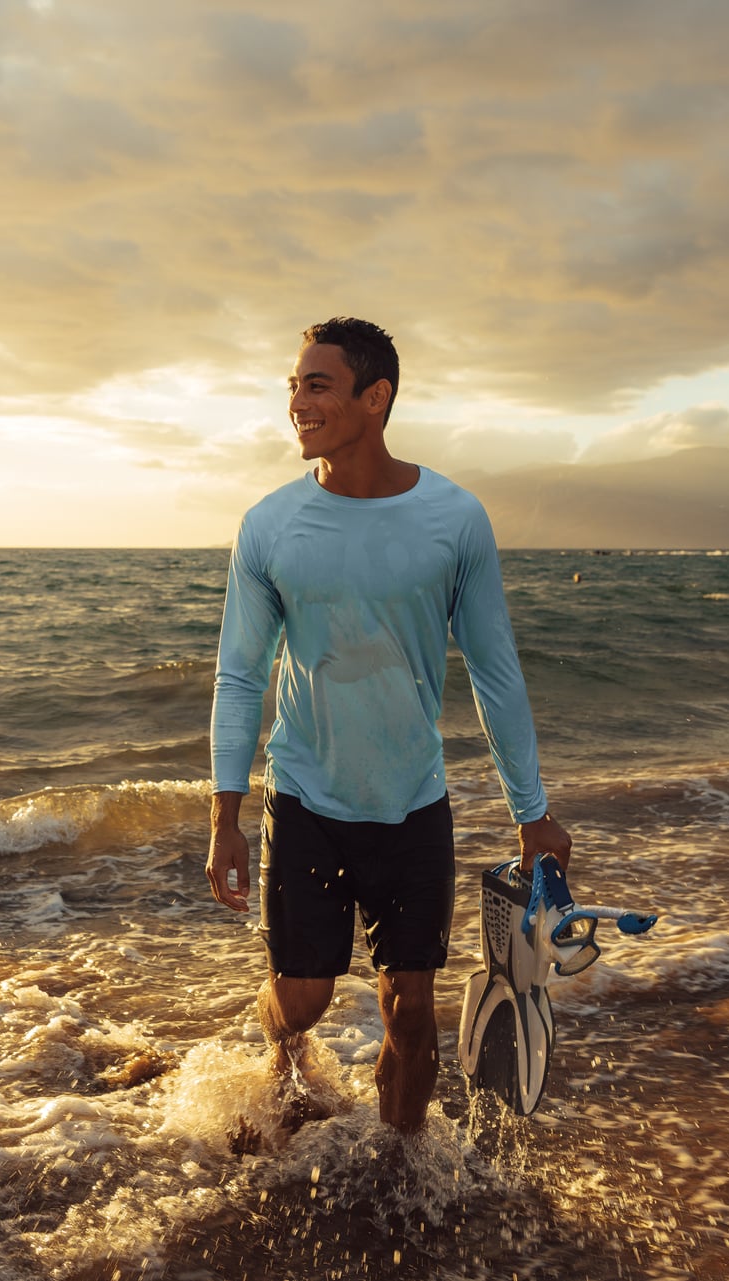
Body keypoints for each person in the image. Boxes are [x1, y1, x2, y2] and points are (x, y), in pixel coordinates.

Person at [207, 317, 571, 1136]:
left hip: (412, 802)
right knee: (301, 999)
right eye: (293, 386)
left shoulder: (454, 517)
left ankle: (400, 1172)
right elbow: (240, 671)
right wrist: (224, 814)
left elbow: (494, 668)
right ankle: (282, 1048)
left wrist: (532, 809)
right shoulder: (270, 525)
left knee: (412, 1010)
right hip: (305, 797)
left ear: (377, 398)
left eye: (316, 385)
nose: (296, 402)